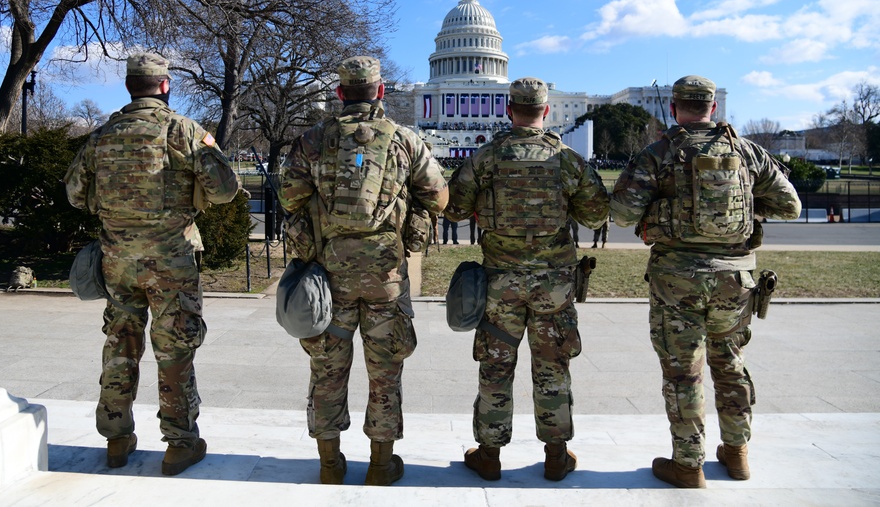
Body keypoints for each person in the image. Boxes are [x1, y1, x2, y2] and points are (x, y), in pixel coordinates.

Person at [609, 75, 801, 489]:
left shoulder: (658, 154)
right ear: (713, 109)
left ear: (675, 108)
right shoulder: (747, 152)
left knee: (684, 373)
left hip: (677, 281)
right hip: (735, 278)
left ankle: (688, 464)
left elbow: (622, 214)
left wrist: (660, 213)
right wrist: (747, 209)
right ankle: (736, 454)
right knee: (729, 364)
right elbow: (790, 205)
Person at [64, 52, 242, 476]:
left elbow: (74, 192)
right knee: (174, 348)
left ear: (129, 86)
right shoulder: (183, 131)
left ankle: (116, 438)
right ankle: (179, 442)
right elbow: (224, 189)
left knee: (120, 345)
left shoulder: (101, 136)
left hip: (117, 261)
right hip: (171, 263)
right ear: (165, 85)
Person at [278, 56, 448, 486]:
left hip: (328, 276)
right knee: (385, 370)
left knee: (327, 369)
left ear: (340, 93)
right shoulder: (405, 141)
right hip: (385, 275)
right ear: (381, 91)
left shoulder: (313, 140)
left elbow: (291, 195)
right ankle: (380, 463)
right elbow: (439, 197)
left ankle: (330, 462)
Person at [445, 77, 610, 482]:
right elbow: (595, 215)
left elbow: (454, 209)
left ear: (508, 110)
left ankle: (489, 454)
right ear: (546, 111)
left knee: (496, 367)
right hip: (552, 284)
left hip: (502, 282)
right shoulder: (567, 159)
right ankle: (556, 455)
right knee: (552, 367)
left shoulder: (487, 157)